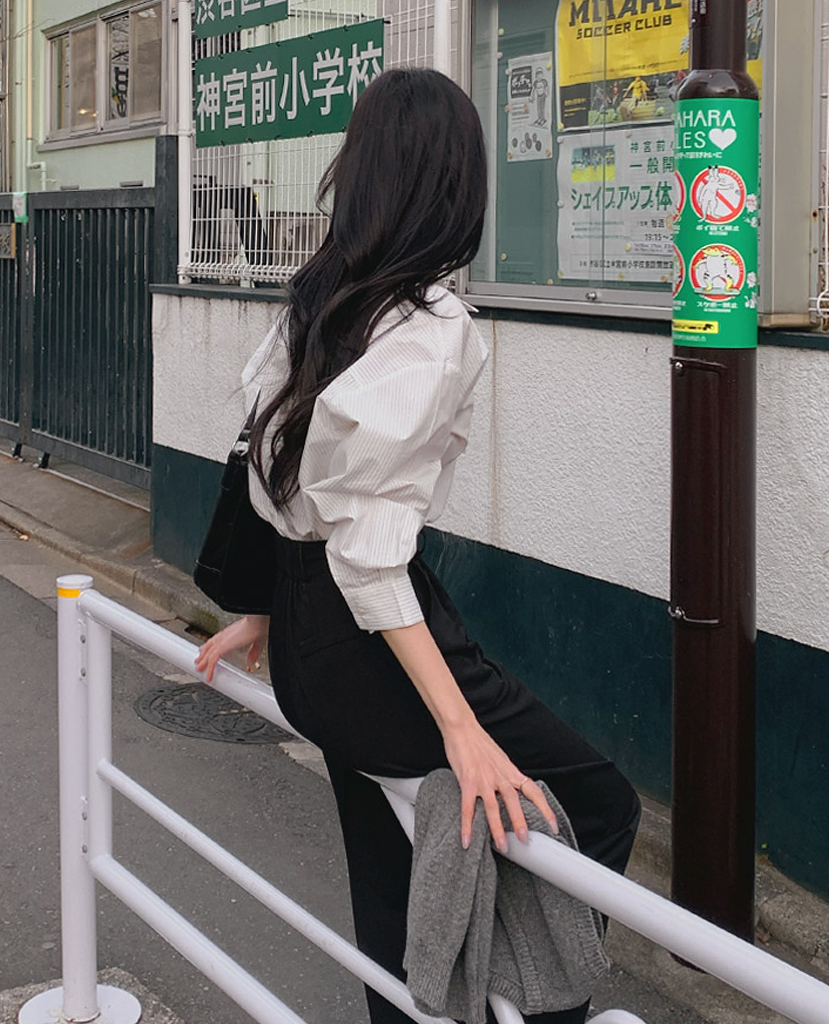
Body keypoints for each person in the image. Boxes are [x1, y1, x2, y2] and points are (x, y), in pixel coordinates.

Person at [195, 68, 641, 1024]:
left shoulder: (321, 299)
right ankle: (535, 1005)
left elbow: (273, 469)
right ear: (455, 185)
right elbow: (366, 550)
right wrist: (461, 728)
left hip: (311, 644)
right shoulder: (434, 330)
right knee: (595, 804)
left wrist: (262, 613)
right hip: (365, 637)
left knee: (388, 857)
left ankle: (434, 998)